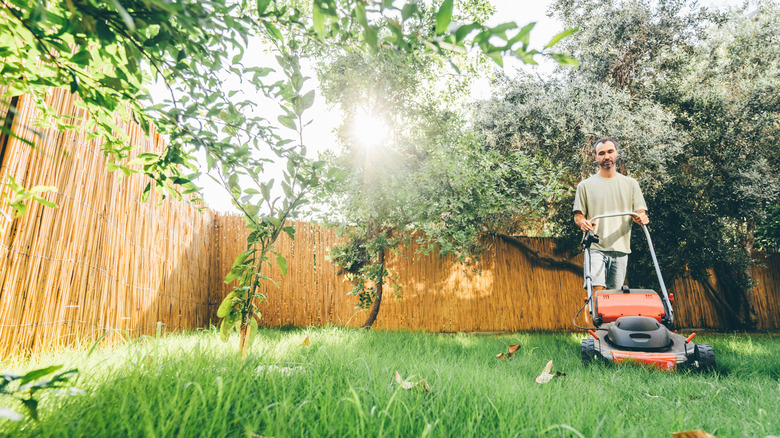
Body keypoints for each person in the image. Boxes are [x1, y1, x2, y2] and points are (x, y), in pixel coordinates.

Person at [573, 138, 649, 291]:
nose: (606, 156)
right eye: (601, 153)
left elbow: (640, 211)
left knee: (615, 297)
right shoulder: (585, 186)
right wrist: (582, 222)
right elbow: (578, 215)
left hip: (621, 248)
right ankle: (591, 314)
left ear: (616, 153)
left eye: (610, 152)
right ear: (595, 157)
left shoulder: (631, 184)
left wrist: (641, 217)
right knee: (597, 292)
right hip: (595, 246)